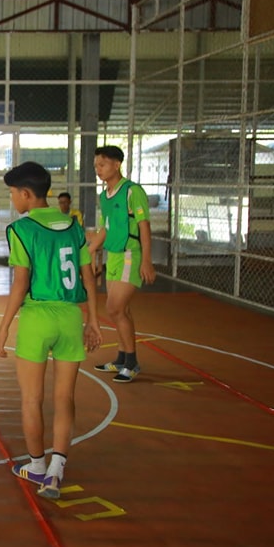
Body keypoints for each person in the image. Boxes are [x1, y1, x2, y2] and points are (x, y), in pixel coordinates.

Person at [0, 161, 102, 500]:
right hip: (71, 316)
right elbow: (88, 277)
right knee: (64, 398)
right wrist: (94, 321)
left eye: (12, 193)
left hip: (38, 318)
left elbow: (20, 284)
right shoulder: (72, 226)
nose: (12, 199)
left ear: (26, 194)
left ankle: (37, 464)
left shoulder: (20, 230)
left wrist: (3, 329)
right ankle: (58, 469)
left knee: (32, 398)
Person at [87, 145, 156, 383]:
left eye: (102, 164)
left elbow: (144, 226)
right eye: (96, 165)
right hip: (113, 256)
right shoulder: (104, 195)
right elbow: (105, 227)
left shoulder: (132, 191)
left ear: (117, 164)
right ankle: (122, 358)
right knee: (120, 310)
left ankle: (132, 363)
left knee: (116, 308)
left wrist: (146, 260)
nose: (98, 169)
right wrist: (92, 250)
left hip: (130, 254)